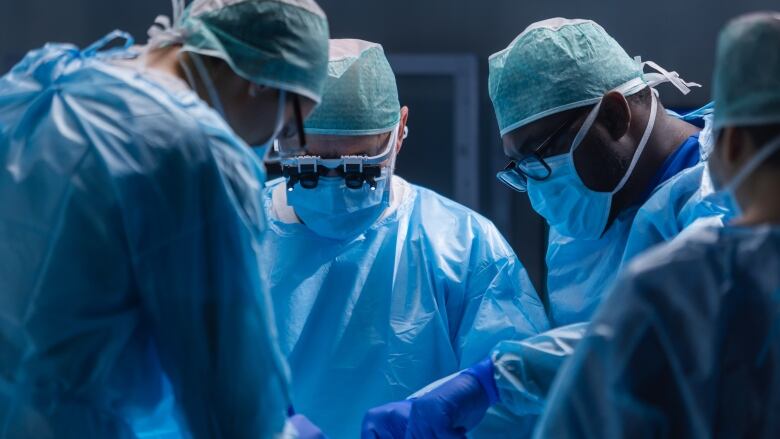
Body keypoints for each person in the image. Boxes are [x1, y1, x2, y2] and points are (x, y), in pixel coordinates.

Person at [361, 18, 731, 437]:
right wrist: (452, 410)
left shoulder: (726, 194)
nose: (538, 190)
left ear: (613, 115)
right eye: (520, 167)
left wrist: (490, 382)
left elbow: (670, 338)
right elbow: (572, 376)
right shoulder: (589, 208)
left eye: (540, 156)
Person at [0, 0, 329, 437]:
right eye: (290, 124)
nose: (270, 144)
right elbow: (232, 403)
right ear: (262, 82)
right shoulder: (189, 151)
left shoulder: (37, 84)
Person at [263, 38, 550, 439]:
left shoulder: (463, 245)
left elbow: (520, 399)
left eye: (357, 171)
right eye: (308, 169)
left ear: (399, 131)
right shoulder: (235, 234)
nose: (332, 188)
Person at [534, 11, 780, 438]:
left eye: (544, 154)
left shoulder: (686, 284)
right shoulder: (582, 233)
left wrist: (498, 376)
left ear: (733, 140)